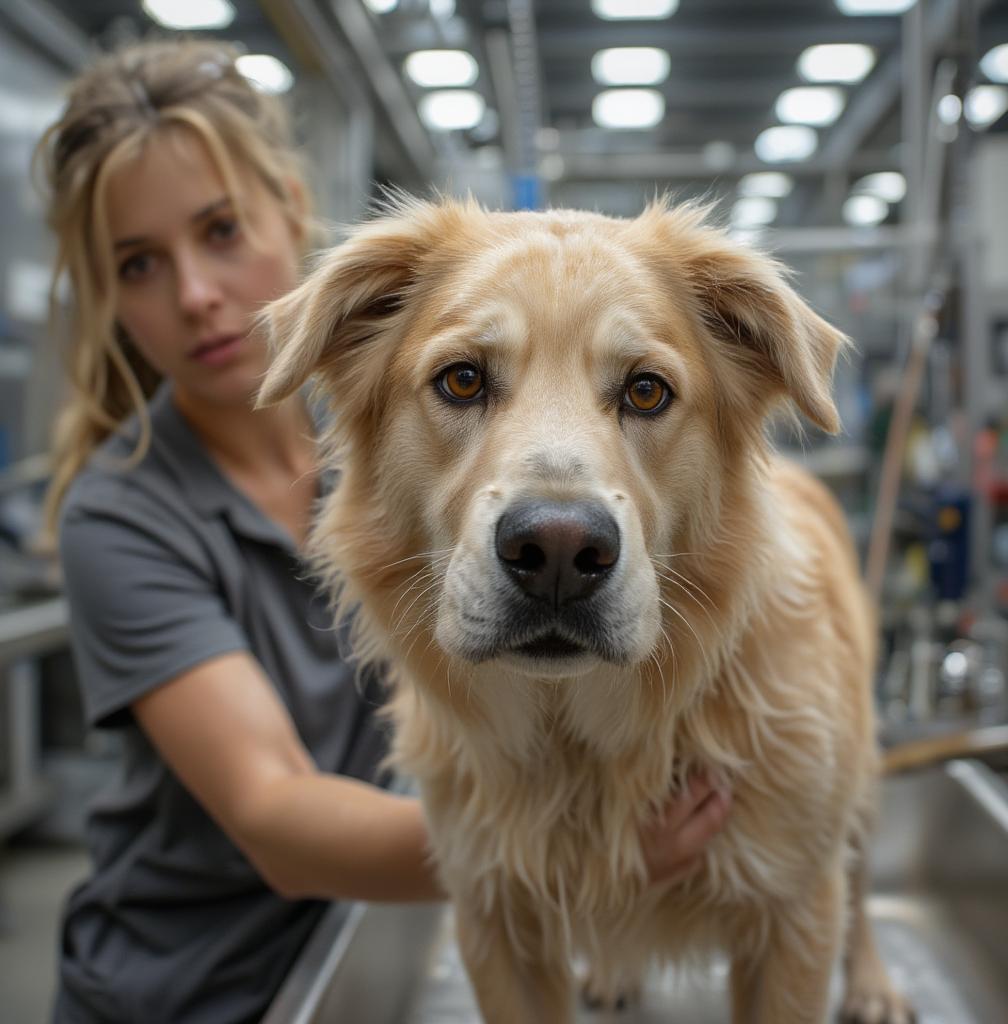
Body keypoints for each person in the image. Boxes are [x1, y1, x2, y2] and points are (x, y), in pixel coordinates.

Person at [34, 37, 732, 1024]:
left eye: (221, 230)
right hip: (187, 985)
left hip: (370, 925)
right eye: (138, 263)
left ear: (288, 205)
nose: (194, 292)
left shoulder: (393, 444)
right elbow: (274, 814)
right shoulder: (121, 513)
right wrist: (593, 853)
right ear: (108, 299)